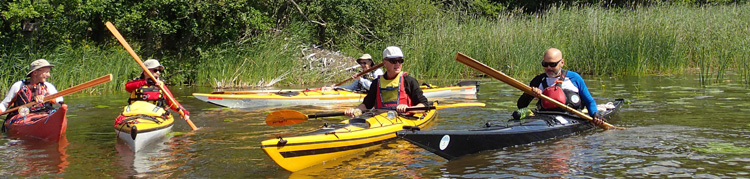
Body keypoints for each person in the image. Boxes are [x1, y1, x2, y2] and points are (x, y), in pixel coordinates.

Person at [516, 48, 605, 123]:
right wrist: (529, 94)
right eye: (545, 64)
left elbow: (589, 101)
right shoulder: (537, 81)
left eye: (552, 64)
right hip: (545, 119)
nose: (548, 68)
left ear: (562, 62)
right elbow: (521, 106)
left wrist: (595, 114)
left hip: (572, 118)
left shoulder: (574, 78)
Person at [344, 46, 428, 116]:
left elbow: (424, 105)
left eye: (400, 61)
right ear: (384, 62)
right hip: (381, 119)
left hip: (405, 118)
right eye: (393, 61)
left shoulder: (409, 81)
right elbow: (366, 105)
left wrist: (408, 108)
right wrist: (355, 110)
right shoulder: (376, 83)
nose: (397, 64)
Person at [124, 59, 189, 118]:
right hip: (136, 112)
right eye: (155, 70)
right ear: (145, 72)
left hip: (156, 113)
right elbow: (127, 87)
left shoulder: (160, 85)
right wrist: (145, 82)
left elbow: (171, 101)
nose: (158, 72)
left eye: (159, 70)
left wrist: (182, 110)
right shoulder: (136, 83)